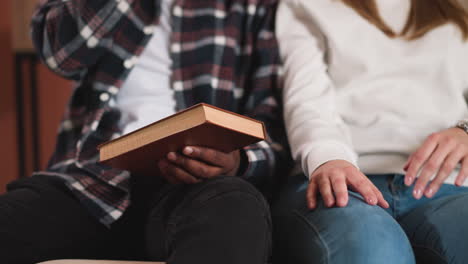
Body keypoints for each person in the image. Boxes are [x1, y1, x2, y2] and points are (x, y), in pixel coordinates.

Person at [0, 0, 290, 263]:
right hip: (92, 184)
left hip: (198, 188)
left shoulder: (255, 7)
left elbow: (273, 125)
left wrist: (240, 161)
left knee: (234, 211)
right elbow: (61, 54)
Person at [273, 0, 468, 263]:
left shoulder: (455, 12)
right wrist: (328, 157)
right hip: (340, 180)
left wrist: (464, 130)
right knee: (373, 251)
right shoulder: (306, 5)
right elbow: (306, 99)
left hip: (447, 186)